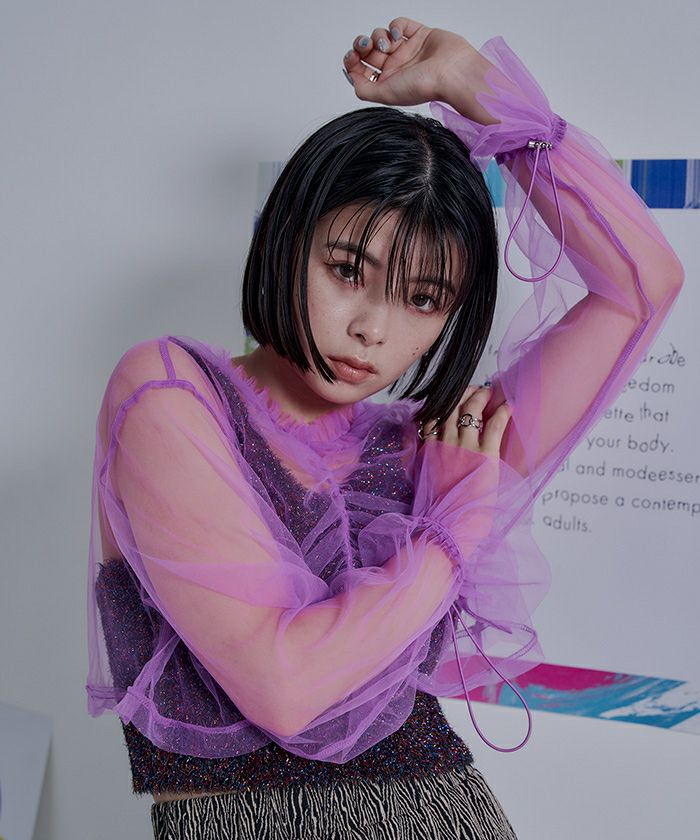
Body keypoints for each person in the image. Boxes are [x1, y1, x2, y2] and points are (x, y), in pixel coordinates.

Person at [86, 16, 685, 840]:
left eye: (424, 299)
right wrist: (449, 537)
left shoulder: (439, 447)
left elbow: (643, 286)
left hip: (442, 812)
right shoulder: (168, 392)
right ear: (286, 238)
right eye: (347, 270)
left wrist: (479, 90)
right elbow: (286, 687)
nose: (373, 328)